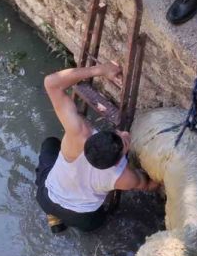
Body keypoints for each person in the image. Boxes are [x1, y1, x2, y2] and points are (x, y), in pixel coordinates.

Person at [35, 62, 160, 232]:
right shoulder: (123, 177)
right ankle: (66, 218)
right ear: (117, 162)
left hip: (46, 199)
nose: (125, 134)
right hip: (82, 218)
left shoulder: (78, 133)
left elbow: (51, 83)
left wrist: (100, 70)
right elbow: (150, 184)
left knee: (50, 143)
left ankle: (54, 216)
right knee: (98, 221)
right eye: (124, 141)